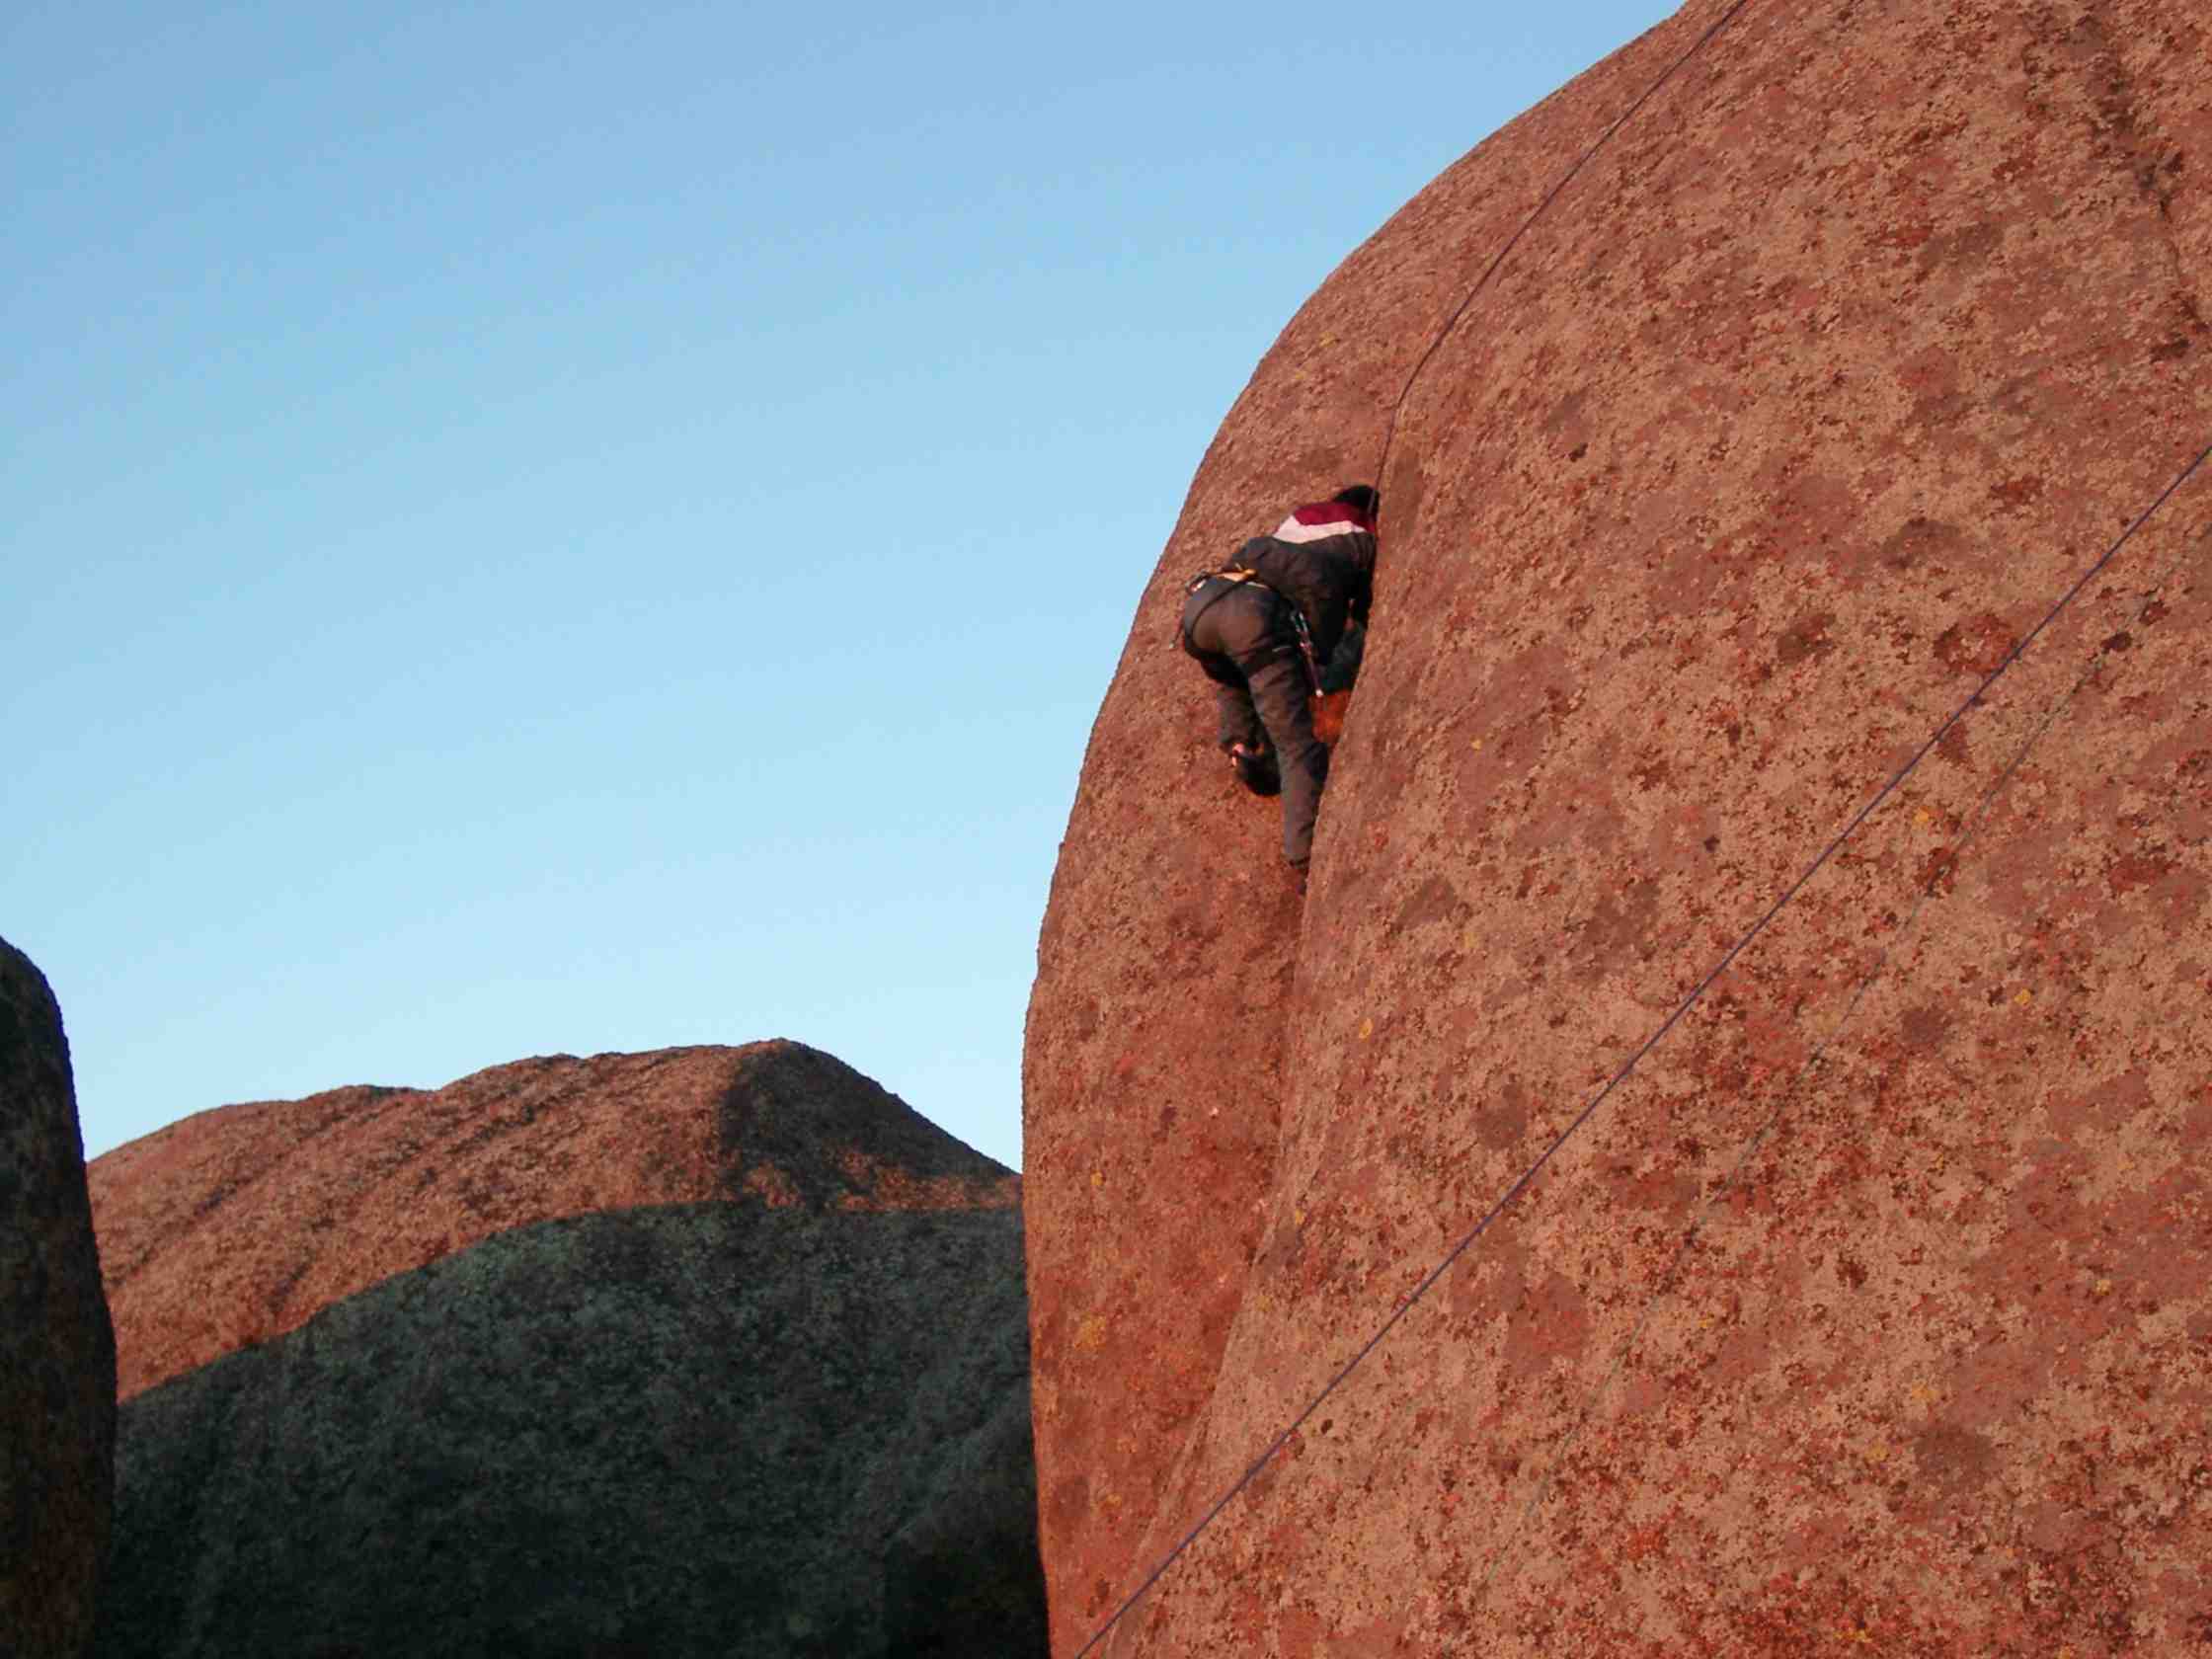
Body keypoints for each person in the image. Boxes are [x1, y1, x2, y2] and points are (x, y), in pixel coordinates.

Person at [1178, 485, 1379, 879]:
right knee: (1297, 742)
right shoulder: (1359, 531)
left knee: (1241, 675)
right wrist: (1319, 655)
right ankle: (1305, 859)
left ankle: (1240, 743)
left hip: (1200, 614)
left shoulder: (1295, 528)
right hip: (1250, 615)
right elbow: (1323, 589)